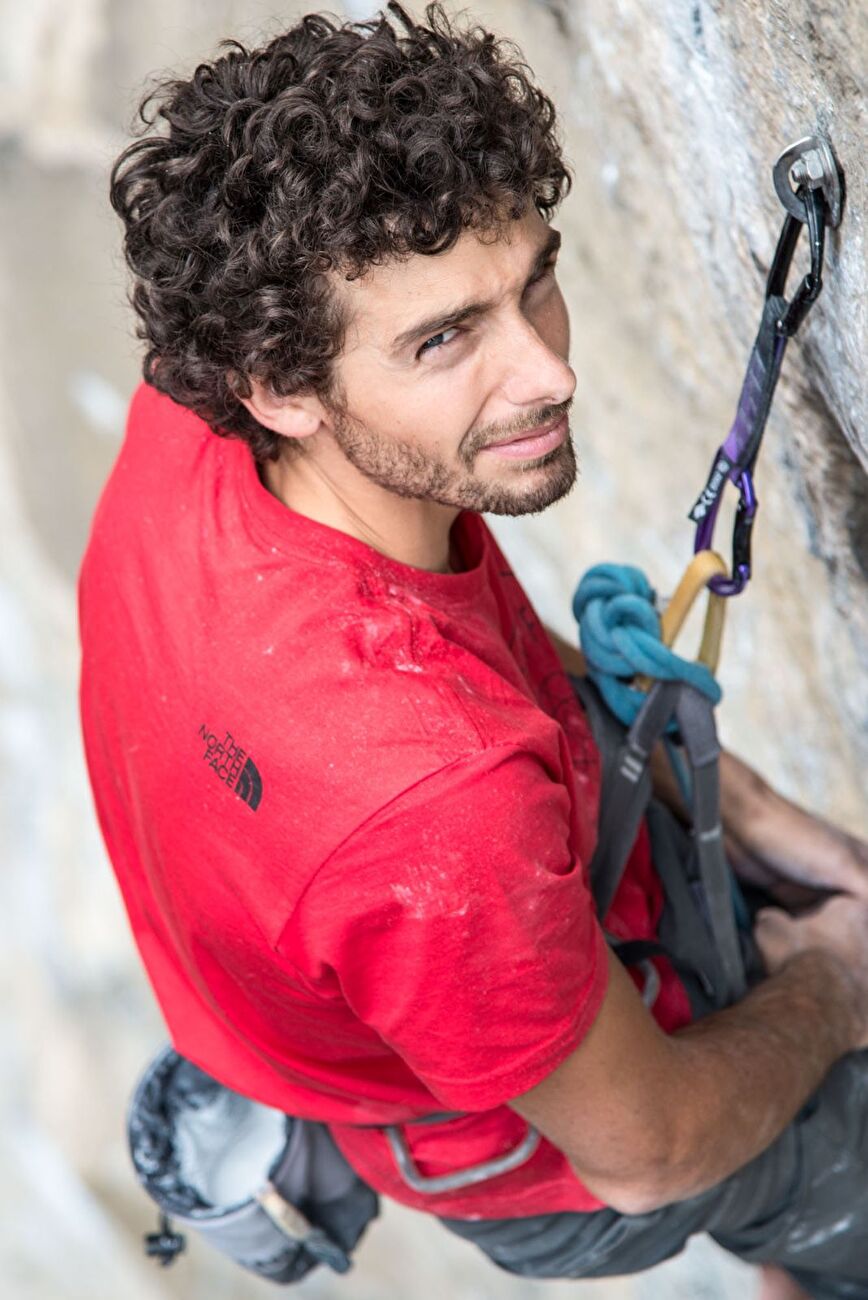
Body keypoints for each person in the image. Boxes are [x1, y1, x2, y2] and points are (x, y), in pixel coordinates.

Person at [79, 5, 868, 1298]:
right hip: (564, 1153)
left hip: (441, 943)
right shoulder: (433, 816)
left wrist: (747, 808)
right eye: (445, 338)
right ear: (280, 384)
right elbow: (647, 1150)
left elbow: (435, 658)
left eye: (534, 282)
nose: (546, 371)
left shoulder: (198, 415)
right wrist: (835, 983)